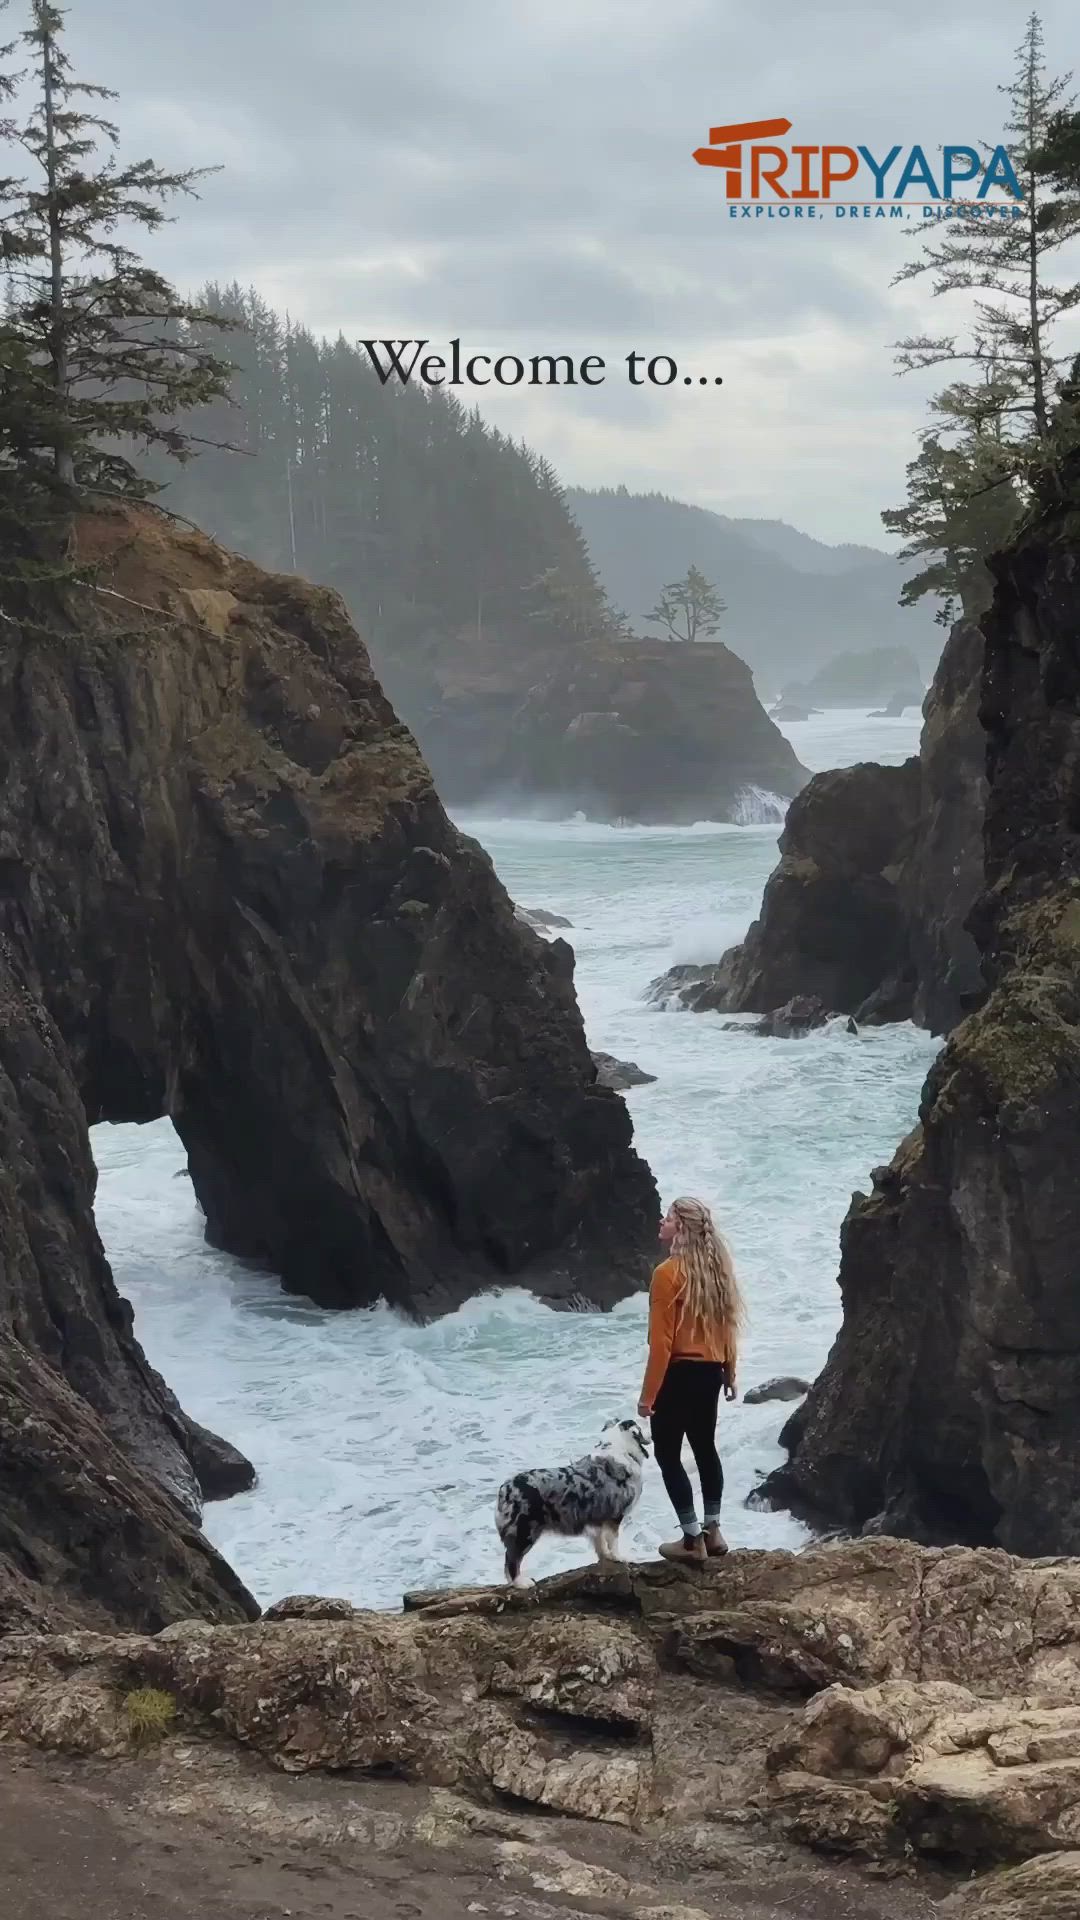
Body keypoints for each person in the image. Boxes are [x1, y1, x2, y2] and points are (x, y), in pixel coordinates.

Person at [637, 1195, 743, 1565]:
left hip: (678, 1375)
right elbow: (728, 1329)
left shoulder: (667, 1274)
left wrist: (647, 1396)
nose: (661, 1224)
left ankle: (691, 1539)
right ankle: (714, 1530)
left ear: (680, 1228)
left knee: (667, 1455)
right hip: (710, 1373)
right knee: (704, 1447)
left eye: (666, 1218)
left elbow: (661, 1344)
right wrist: (730, 1373)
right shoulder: (716, 1273)